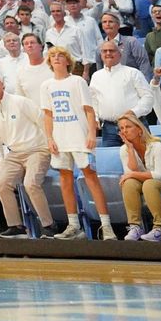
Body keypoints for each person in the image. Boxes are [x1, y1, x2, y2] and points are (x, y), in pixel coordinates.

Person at [40, 46, 117, 240]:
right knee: (65, 180)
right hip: (60, 137)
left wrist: (92, 133)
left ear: (68, 61)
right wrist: (49, 138)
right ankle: (73, 225)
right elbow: (47, 115)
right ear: (49, 62)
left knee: (90, 177)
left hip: (80, 136)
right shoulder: (46, 85)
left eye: (60, 55)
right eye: (53, 56)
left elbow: (89, 110)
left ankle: (106, 226)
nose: (56, 58)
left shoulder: (78, 81)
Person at [0, 73, 52, 238]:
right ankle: (16, 226)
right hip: (14, 154)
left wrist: (50, 145)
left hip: (37, 149)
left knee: (31, 183)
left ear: (2, 84)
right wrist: (1, 164)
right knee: (2, 184)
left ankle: (48, 225)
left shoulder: (20, 102)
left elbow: (42, 121)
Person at [115, 112, 161, 241]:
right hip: (145, 181)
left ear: (139, 129)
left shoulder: (157, 146)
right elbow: (130, 172)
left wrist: (133, 174)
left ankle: (160, 228)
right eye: (121, 128)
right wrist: (130, 149)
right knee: (128, 184)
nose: (124, 131)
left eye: (128, 127)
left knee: (149, 184)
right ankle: (136, 227)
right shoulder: (124, 149)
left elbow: (160, 175)